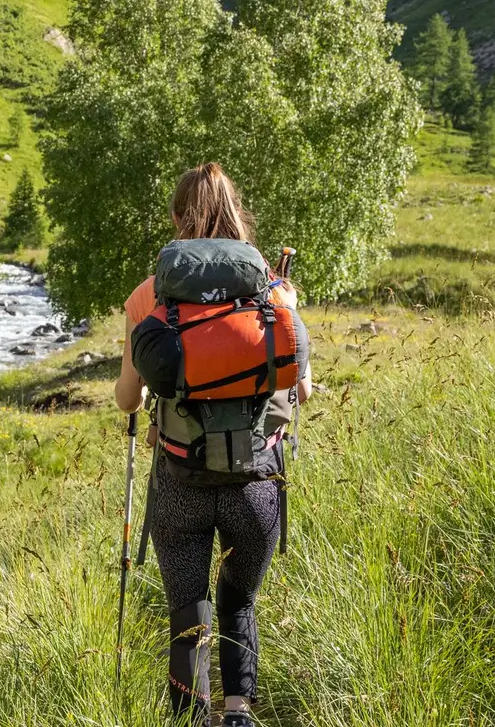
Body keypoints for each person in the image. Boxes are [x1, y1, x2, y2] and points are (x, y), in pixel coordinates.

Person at [115, 163, 310, 726]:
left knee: (188, 611)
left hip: (179, 479)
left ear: (178, 218)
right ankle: (238, 712)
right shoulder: (274, 289)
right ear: (238, 213)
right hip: (257, 480)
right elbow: (301, 388)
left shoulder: (149, 296)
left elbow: (128, 400)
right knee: (239, 601)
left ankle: (190, 717)